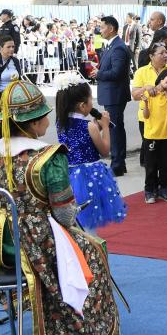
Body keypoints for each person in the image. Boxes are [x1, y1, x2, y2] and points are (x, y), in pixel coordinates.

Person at [0, 80, 120, 335]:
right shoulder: (47, 158)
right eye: (44, 116)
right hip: (31, 248)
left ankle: (22, 302)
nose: (48, 120)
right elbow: (63, 216)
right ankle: (82, 329)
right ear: (33, 123)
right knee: (93, 249)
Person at [54, 72, 127, 231]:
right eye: (90, 100)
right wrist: (106, 127)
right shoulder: (89, 126)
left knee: (77, 220)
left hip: (69, 174)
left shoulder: (60, 122)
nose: (92, 103)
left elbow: (81, 141)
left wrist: (98, 127)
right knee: (89, 222)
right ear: (82, 106)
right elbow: (105, 150)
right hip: (89, 177)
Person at [132, 43, 167, 202]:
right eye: (161, 53)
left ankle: (166, 187)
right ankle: (150, 189)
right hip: (147, 121)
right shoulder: (142, 71)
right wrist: (150, 88)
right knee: (151, 158)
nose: (166, 55)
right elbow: (135, 95)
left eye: (166, 53)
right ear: (151, 56)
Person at [93, 16, 131, 177]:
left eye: (102, 27)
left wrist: (99, 73)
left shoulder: (118, 47)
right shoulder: (111, 46)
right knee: (116, 128)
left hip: (115, 94)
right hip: (111, 93)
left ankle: (117, 164)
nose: (100, 30)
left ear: (111, 29)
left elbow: (117, 72)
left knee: (115, 129)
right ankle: (119, 163)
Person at [140, 67, 167, 203]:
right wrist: (146, 103)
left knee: (166, 164)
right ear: (161, 77)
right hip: (151, 135)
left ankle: (164, 188)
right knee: (151, 165)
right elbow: (145, 115)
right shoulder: (149, 93)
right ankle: (149, 190)